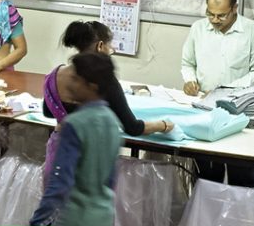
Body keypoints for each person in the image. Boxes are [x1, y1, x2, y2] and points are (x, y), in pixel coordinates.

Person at [30, 53, 123, 226]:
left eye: (76, 79)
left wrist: (37, 224)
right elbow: (110, 178)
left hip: (73, 222)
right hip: (100, 220)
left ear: (92, 86)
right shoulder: (113, 123)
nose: (70, 84)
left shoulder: (75, 124)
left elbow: (60, 180)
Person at [179, 0, 254, 188]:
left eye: (221, 16)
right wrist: (190, 80)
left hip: (238, 110)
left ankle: (243, 218)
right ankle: (206, 217)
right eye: (210, 14)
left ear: (235, 8)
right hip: (205, 110)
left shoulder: (252, 30)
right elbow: (187, 63)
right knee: (206, 178)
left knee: (243, 177)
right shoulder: (198, 28)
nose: (215, 20)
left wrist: (224, 89)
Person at [46, 21, 174, 143]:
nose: (112, 50)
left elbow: (47, 111)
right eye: (110, 45)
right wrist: (162, 125)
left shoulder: (55, 74)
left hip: (58, 148)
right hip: (89, 152)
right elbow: (132, 127)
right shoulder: (105, 80)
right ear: (100, 46)